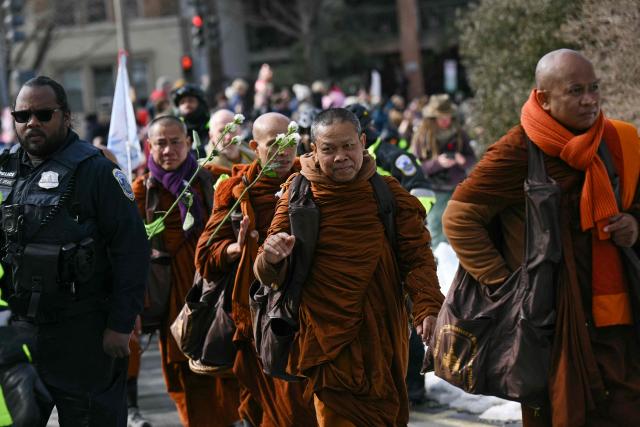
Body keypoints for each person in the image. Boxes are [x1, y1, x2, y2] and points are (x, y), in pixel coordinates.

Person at [442, 49, 640, 426]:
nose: (590, 100)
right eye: (576, 91)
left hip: (616, 312)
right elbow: (459, 218)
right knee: (558, 410)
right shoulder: (518, 149)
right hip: (551, 319)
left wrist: (633, 224)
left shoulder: (619, 141)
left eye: (594, 88)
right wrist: (505, 285)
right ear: (544, 98)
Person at [254, 108, 444, 426]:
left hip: (383, 332)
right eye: (329, 149)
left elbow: (417, 256)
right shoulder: (298, 194)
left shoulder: (387, 192)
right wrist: (271, 257)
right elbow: (267, 270)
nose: (341, 157)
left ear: (363, 142)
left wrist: (427, 306)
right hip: (325, 335)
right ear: (313, 149)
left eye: (348, 147)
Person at [0, 76, 149, 426]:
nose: (32, 123)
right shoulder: (5, 170)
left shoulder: (96, 171)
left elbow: (132, 250)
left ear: (66, 117)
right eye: (22, 116)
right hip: (20, 336)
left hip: (85, 334)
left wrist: (120, 325)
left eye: (43, 114)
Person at [196, 112, 315, 427]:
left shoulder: (315, 179)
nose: (284, 151)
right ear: (254, 146)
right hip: (256, 314)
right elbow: (205, 255)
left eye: (290, 142)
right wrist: (234, 249)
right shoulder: (235, 190)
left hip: (307, 312)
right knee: (271, 408)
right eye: (274, 144)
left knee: (301, 408)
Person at [131, 115, 241, 427]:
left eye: (175, 142)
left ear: (190, 143)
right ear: (149, 147)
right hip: (174, 305)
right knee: (187, 382)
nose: (168, 150)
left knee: (228, 374)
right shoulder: (141, 192)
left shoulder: (211, 179)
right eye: (160, 144)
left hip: (217, 296)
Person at [411, 94, 476, 247]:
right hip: (434, 191)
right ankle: (438, 266)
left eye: (448, 117)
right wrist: (437, 163)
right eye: (441, 117)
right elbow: (416, 167)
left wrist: (462, 160)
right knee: (436, 231)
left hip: (457, 189)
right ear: (432, 118)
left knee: (458, 230)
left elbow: (472, 158)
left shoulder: (460, 133)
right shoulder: (422, 136)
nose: (445, 121)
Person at [205, 109, 255, 175]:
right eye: (222, 131)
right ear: (211, 136)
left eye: (232, 129)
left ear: (240, 131)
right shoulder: (206, 170)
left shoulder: (256, 159)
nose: (228, 137)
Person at [171, 84, 210, 158]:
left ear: (201, 103)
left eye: (191, 101)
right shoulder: (175, 129)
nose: (187, 104)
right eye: (182, 102)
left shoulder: (212, 125)